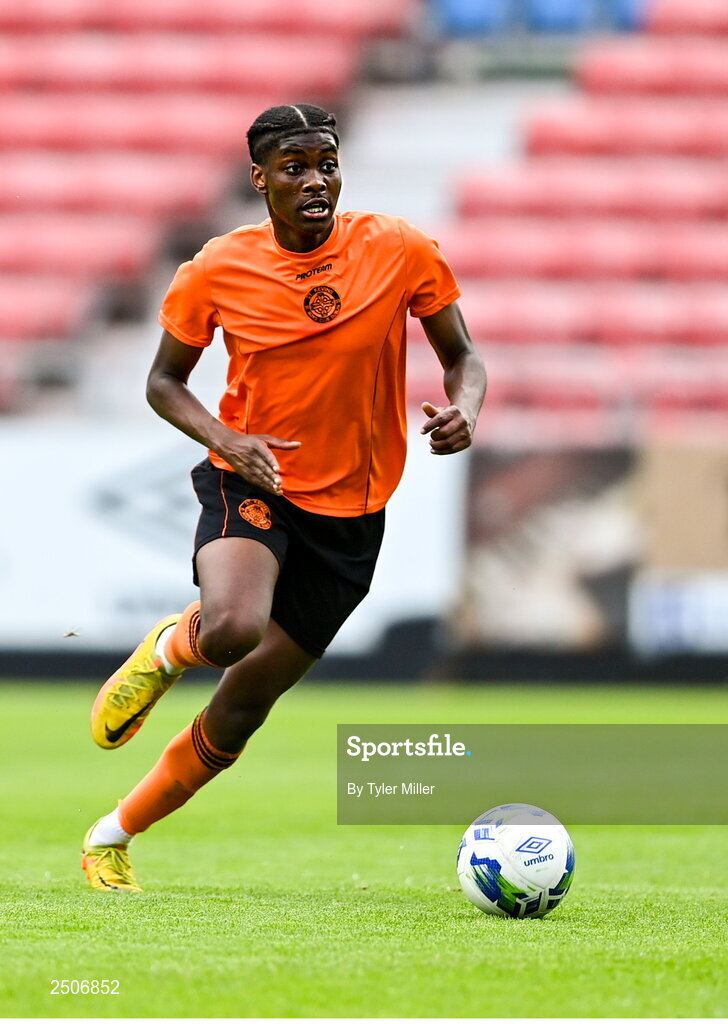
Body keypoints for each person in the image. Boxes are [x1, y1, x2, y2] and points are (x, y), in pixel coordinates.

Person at [81, 103, 487, 892]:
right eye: (295, 167)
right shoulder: (215, 268)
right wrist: (225, 439)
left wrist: (464, 411)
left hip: (355, 514)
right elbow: (164, 382)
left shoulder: (399, 249)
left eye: (327, 163)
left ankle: (111, 836)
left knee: (243, 708)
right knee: (232, 629)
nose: (315, 180)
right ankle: (174, 646)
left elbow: (463, 356)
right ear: (259, 177)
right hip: (254, 474)